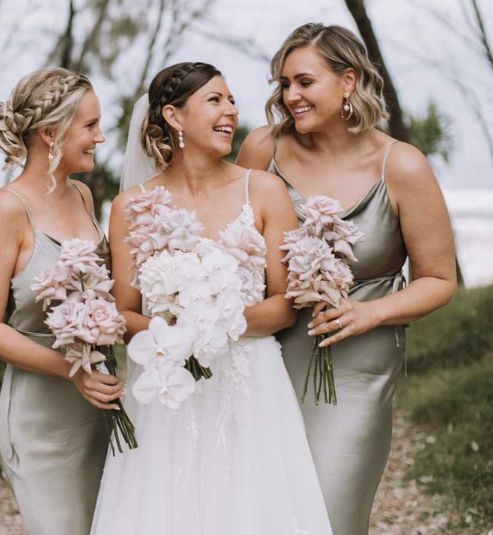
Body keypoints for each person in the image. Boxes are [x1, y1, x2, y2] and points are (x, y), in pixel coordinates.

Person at [90, 62, 333, 534]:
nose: (230, 111)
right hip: (166, 387)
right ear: (174, 117)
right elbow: (123, 313)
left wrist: (217, 321)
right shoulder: (131, 206)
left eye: (231, 101)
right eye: (214, 100)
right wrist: (177, 333)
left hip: (251, 382)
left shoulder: (263, 190)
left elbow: (284, 305)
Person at [237, 23, 457, 535]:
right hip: (267, 360)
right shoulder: (262, 150)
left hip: (360, 368)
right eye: (283, 83)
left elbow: (440, 278)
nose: (290, 96)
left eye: (304, 82)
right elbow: (237, 250)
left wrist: (370, 312)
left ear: (348, 80)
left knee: (329, 515)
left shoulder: (401, 166)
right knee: (264, 513)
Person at [0, 67, 123, 535]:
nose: (101, 137)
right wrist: (73, 371)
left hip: (101, 405)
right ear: (51, 132)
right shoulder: (7, 210)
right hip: (43, 418)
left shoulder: (82, 195)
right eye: (90, 126)